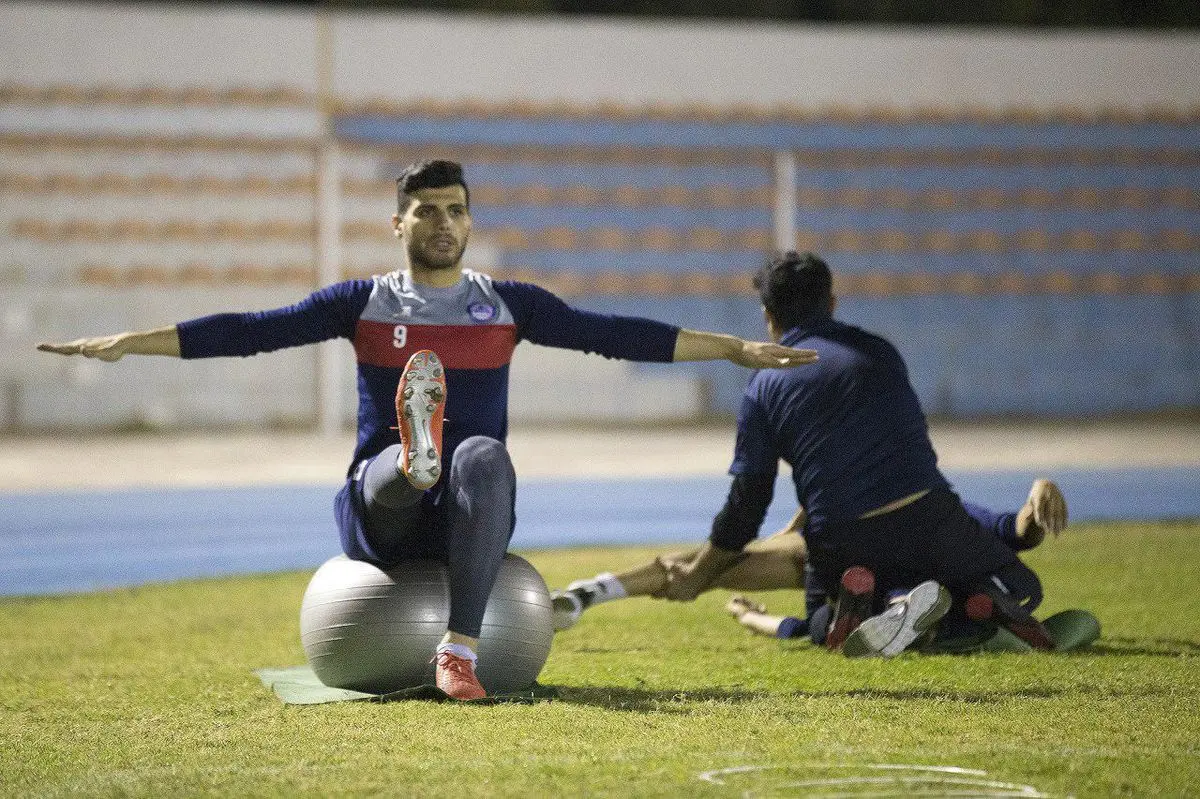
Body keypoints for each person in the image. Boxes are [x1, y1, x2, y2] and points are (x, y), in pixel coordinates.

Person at [37, 160, 817, 700]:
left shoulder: (509, 302)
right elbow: (251, 328)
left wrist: (732, 347)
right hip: (381, 516)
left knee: (482, 454)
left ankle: (458, 648)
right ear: (398, 222)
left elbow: (619, 334)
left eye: (456, 210)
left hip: (470, 516)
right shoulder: (362, 300)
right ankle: (414, 458)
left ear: (470, 220)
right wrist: (133, 340)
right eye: (427, 210)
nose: (444, 222)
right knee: (402, 465)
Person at [648, 250, 1066, 658]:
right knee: (1020, 586)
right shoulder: (880, 353)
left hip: (842, 540)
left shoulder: (763, 387)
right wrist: (1041, 489)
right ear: (831, 302)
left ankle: (879, 609)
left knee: (822, 621)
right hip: (928, 516)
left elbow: (748, 504)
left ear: (767, 316)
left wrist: (701, 576)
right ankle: (972, 608)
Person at [552, 479, 1068, 648]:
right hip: (969, 570)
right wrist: (1038, 493)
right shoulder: (932, 503)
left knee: (826, 622)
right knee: (944, 607)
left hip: (832, 556)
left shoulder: (908, 502)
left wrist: (750, 615)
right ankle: (980, 613)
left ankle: (586, 594)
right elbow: (1013, 532)